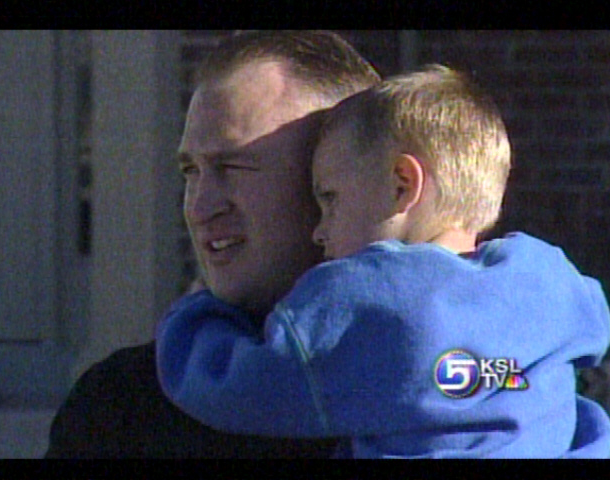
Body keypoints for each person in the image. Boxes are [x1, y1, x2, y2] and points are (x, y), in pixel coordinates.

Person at [156, 65, 610, 458]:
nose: (320, 229)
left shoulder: (368, 301)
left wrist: (194, 318)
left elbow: (239, 388)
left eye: (330, 199)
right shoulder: (545, 278)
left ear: (401, 185)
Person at [44, 31, 381, 458]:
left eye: (234, 166)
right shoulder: (123, 408)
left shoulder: (443, 387)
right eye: (191, 171)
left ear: (334, 180)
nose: (200, 207)